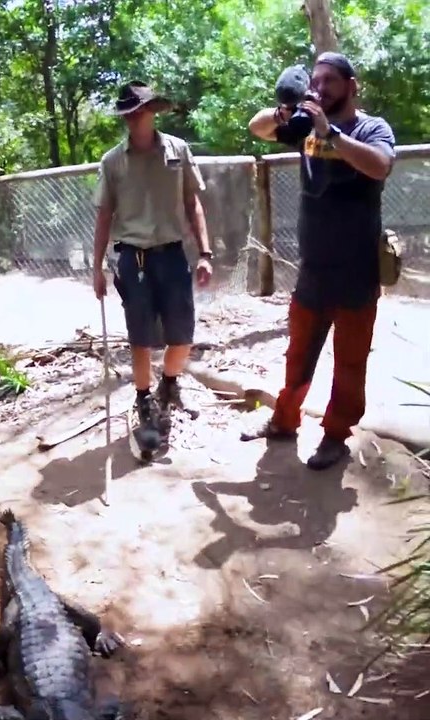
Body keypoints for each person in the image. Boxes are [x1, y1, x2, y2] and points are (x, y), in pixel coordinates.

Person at [243, 52, 396, 470]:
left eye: (330, 80)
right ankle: (283, 421)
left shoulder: (371, 128)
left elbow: (380, 166)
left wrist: (333, 136)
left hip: (357, 272)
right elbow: (257, 128)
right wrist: (284, 111)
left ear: (351, 85)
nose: (321, 87)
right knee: (299, 356)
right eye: (316, 80)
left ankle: (335, 436)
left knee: (349, 364)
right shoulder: (303, 127)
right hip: (313, 270)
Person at [92, 81, 214, 450]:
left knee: (183, 335)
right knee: (141, 338)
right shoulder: (113, 161)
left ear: (152, 112)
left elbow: (193, 203)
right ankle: (144, 400)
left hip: (173, 254)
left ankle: (170, 385)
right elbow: (104, 215)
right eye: (128, 112)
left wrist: (205, 253)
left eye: (140, 109)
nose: (134, 117)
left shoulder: (178, 149)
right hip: (133, 258)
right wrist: (96, 267)